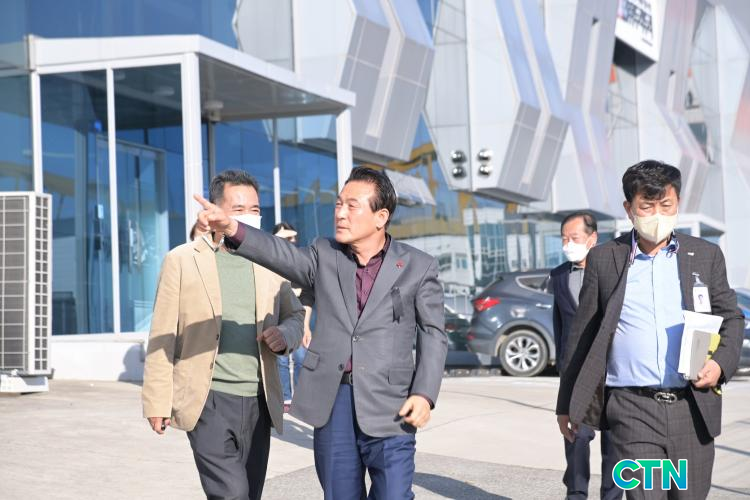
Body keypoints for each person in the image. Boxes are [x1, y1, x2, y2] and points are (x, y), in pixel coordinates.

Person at [194, 166, 448, 499]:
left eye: (352, 206)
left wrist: (424, 393)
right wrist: (232, 227)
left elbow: (433, 334)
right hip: (332, 401)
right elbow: (279, 254)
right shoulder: (323, 254)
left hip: (391, 403)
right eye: (338, 204)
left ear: (381, 216)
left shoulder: (418, 266)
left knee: (394, 495)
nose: (340, 213)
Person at [556, 160, 744, 499]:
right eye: (647, 206)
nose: (657, 214)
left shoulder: (705, 256)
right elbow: (582, 335)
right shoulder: (605, 259)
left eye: (665, 205)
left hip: (692, 408)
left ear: (677, 203)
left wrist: (719, 365)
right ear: (629, 208)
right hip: (632, 409)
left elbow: (732, 318)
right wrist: (566, 403)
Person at [142, 169, 305, 500]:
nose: (249, 216)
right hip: (208, 400)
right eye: (239, 209)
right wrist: (156, 400)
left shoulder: (271, 260)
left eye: (255, 209)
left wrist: (285, 335)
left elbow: (295, 314)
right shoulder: (182, 260)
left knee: (250, 493)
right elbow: (163, 334)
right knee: (232, 493)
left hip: (259, 400)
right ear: (215, 210)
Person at [550, 212, 620, 500]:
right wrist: (563, 367)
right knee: (576, 436)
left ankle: (612, 496)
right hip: (577, 371)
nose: (568, 244)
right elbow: (560, 324)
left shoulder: (616, 271)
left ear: (593, 238)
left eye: (574, 238)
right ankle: (576, 493)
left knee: (614, 442)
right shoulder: (558, 275)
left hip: (612, 369)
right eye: (564, 239)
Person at [273, 221, 314, 412]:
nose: (291, 241)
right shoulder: (271, 262)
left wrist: (306, 326)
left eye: (293, 238)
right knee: (281, 360)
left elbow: (307, 297)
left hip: (298, 318)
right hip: (277, 317)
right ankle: (286, 398)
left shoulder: (300, 263)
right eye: (286, 237)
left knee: (301, 357)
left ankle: (301, 397)